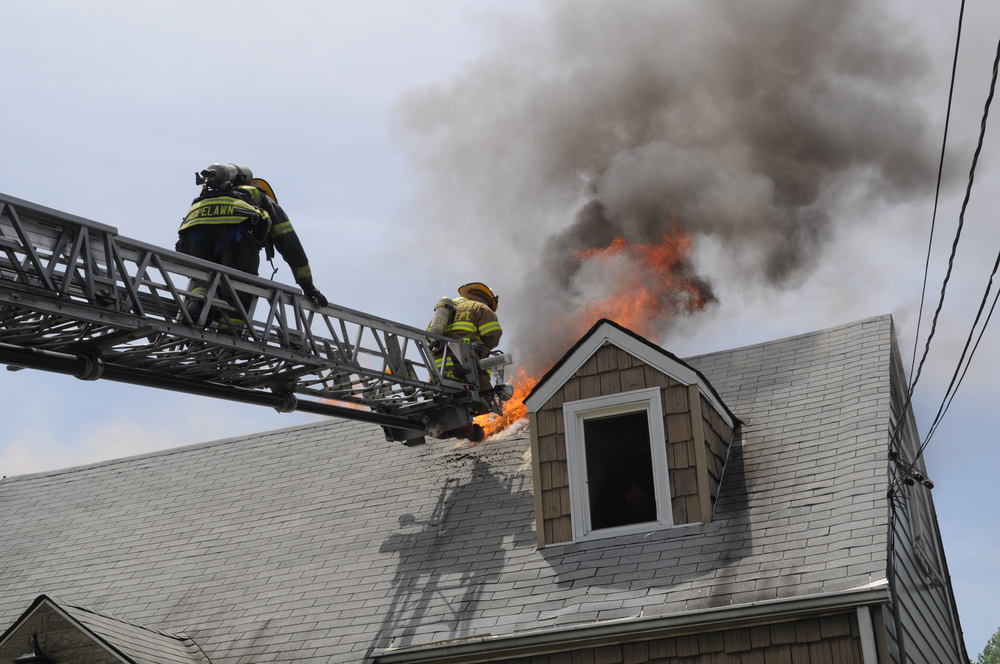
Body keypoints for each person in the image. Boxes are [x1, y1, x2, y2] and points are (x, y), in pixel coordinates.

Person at [176, 163, 327, 331]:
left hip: (193, 231)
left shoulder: (204, 198)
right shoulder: (255, 194)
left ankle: (196, 305)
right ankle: (229, 337)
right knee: (239, 288)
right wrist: (308, 285)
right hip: (236, 233)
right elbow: (288, 241)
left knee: (202, 279)